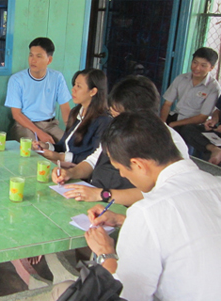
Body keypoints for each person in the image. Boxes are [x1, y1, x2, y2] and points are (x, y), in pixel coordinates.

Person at [83, 111, 221, 300]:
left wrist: (105, 255)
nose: (122, 176)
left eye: (121, 170)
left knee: (66, 290)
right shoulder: (216, 183)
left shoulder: (147, 212)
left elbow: (126, 295)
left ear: (138, 165)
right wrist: (125, 220)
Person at [52, 76, 189, 206]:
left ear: (138, 116)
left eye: (118, 116)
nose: (114, 121)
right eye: (113, 115)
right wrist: (71, 173)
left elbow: (160, 192)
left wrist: (102, 194)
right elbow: (94, 160)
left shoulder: (171, 144)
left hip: (124, 207)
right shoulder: (118, 131)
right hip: (98, 196)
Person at [35, 68, 111, 165]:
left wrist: (61, 157)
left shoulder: (103, 121)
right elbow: (64, 145)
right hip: (65, 164)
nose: (73, 89)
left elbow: (95, 158)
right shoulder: (76, 112)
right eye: (74, 85)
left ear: (93, 91)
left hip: (81, 171)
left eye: (79, 86)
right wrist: (46, 146)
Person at [4, 37, 71, 143]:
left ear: (49, 60)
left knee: (70, 145)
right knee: (34, 150)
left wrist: (73, 132)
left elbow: (66, 109)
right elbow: (16, 114)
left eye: (39, 56)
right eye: (31, 55)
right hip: (24, 125)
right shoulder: (17, 80)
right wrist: (39, 133)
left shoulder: (57, 77)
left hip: (50, 125)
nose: (33, 60)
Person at [160, 47, 221, 130]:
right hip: (175, 116)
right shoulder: (181, 78)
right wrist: (162, 124)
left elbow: (202, 117)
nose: (197, 68)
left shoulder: (213, 87)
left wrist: (173, 124)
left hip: (193, 124)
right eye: (195, 63)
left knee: (187, 132)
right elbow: (167, 104)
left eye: (203, 65)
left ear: (211, 68)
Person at [179, 95, 221, 164]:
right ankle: (213, 149)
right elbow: (218, 110)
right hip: (217, 132)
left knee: (210, 157)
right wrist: (214, 120)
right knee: (188, 129)